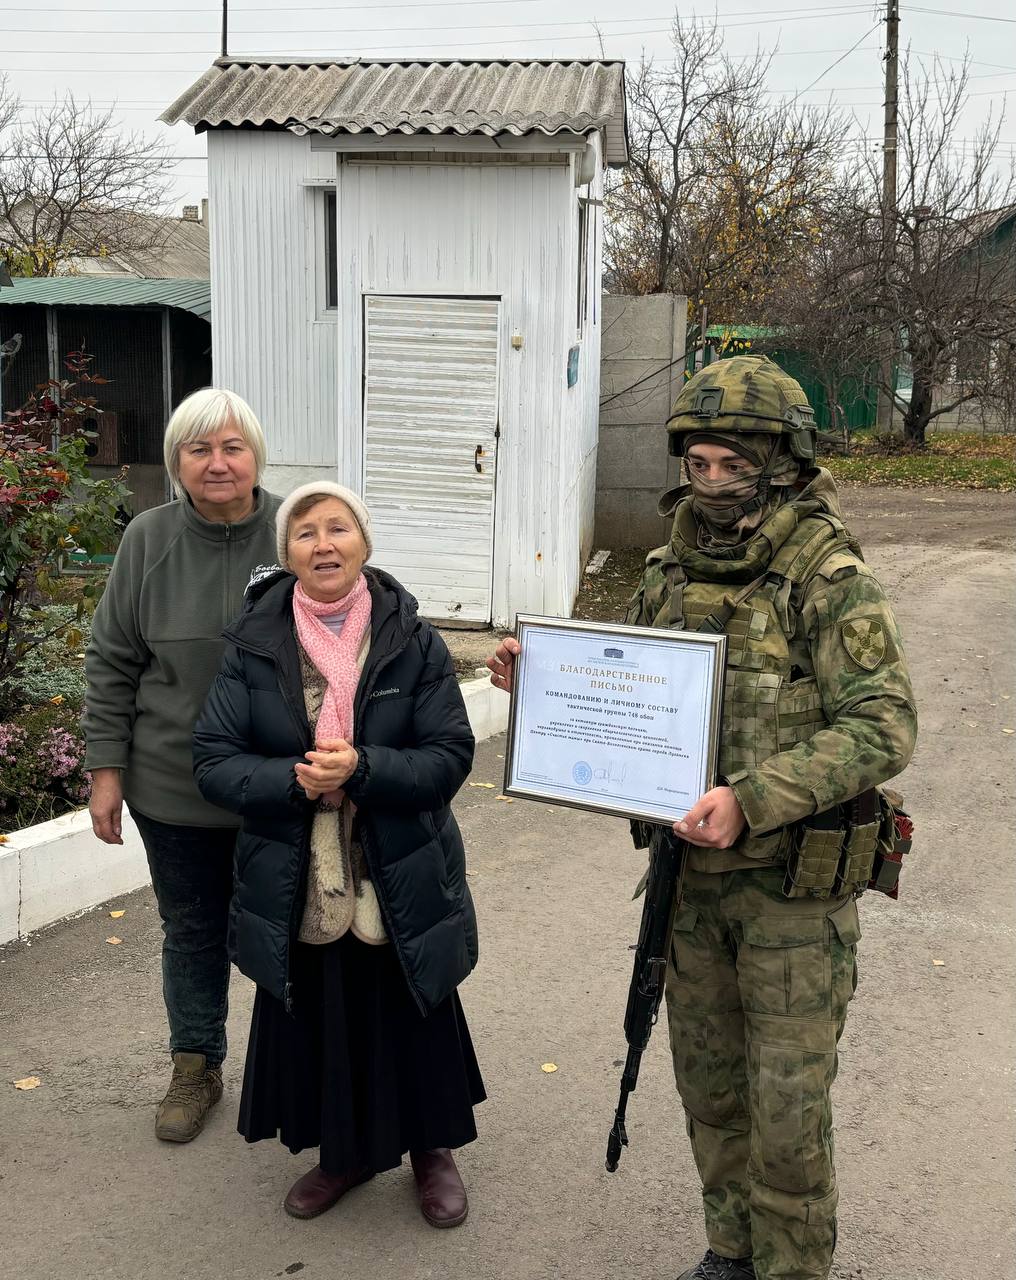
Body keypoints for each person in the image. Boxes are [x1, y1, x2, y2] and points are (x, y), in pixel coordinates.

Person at [487, 356, 917, 1280]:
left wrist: (753, 798)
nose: (714, 483)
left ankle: (792, 1268)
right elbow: (626, 685)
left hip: (790, 897)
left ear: (785, 463)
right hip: (688, 888)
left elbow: (885, 725)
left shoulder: (826, 576)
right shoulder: (666, 570)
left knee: (789, 1109)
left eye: (735, 464)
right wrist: (543, 685)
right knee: (712, 1090)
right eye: (700, 463)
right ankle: (731, 1249)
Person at [192, 481, 483, 1227]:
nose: (323, 544)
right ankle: (345, 1154)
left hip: (400, 867)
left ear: (365, 542)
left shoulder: (411, 638)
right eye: (305, 533)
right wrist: (296, 781)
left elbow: (450, 755)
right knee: (326, 1013)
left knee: (413, 1003)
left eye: (338, 528)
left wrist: (365, 771)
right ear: (285, 554)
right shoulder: (256, 644)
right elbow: (215, 761)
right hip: (301, 874)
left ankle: (433, 1150)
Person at [84, 388, 281, 1143]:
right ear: (176, 463)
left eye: (231, 446)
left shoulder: (296, 527)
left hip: (279, 789)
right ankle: (195, 1065)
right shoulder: (148, 538)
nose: (217, 462)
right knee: (192, 931)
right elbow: (111, 659)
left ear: (255, 454)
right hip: (173, 787)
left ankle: (292, 1069)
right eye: (198, 450)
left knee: (291, 934)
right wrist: (106, 771)